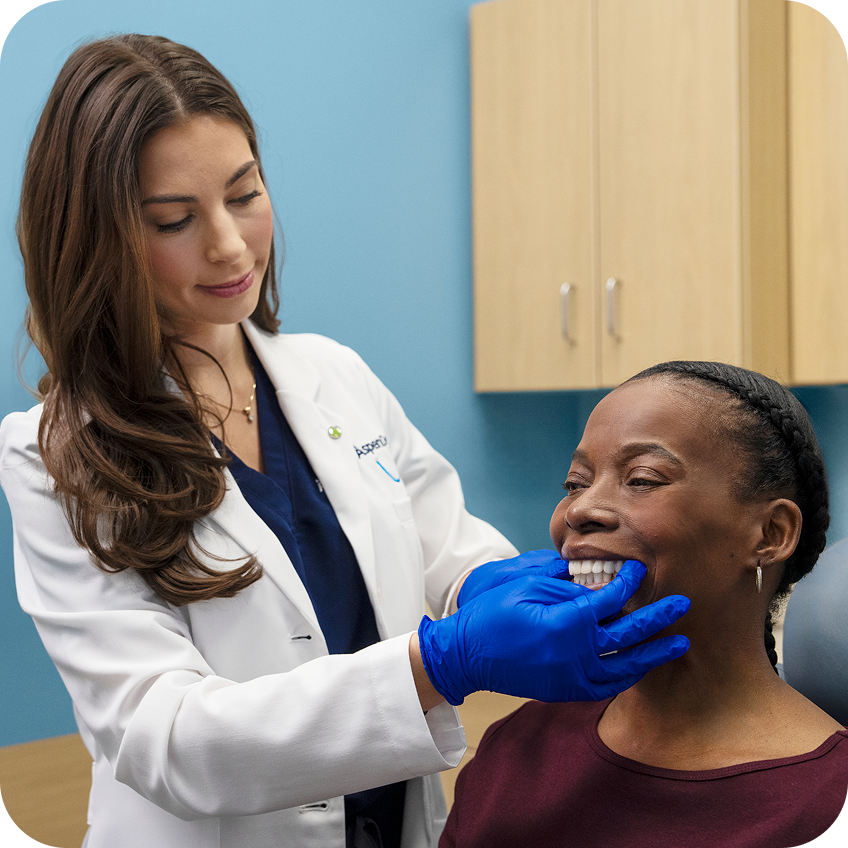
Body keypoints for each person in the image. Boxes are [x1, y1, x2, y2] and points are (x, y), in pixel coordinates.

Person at [0, 34, 691, 848]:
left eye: (245, 193)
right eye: (175, 220)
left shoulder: (333, 374)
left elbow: (445, 550)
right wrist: (442, 664)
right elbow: (166, 738)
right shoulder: (51, 453)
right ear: (95, 237)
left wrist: (499, 589)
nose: (228, 244)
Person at [440, 361, 848, 848]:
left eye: (643, 479)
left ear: (770, 534)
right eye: (575, 484)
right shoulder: (518, 746)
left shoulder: (825, 797)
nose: (580, 509)